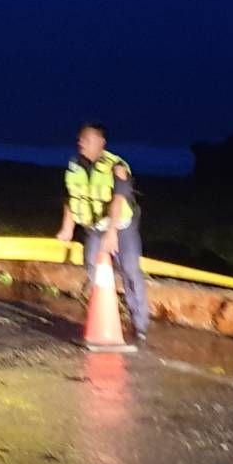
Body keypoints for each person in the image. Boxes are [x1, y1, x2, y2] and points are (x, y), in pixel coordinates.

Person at [54, 122, 149, 343]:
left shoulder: (117, 167)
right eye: (80, 139)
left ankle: (140, 324)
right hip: (95, 226)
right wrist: (67, 227)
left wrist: (112, 232)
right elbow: (71, 197)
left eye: (86, 139)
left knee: (130, 270)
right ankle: (104, 313)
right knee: (91, 264)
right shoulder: (74, 166)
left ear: (101, 143)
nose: (81, 143)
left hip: (121, 226)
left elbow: (119, 199)